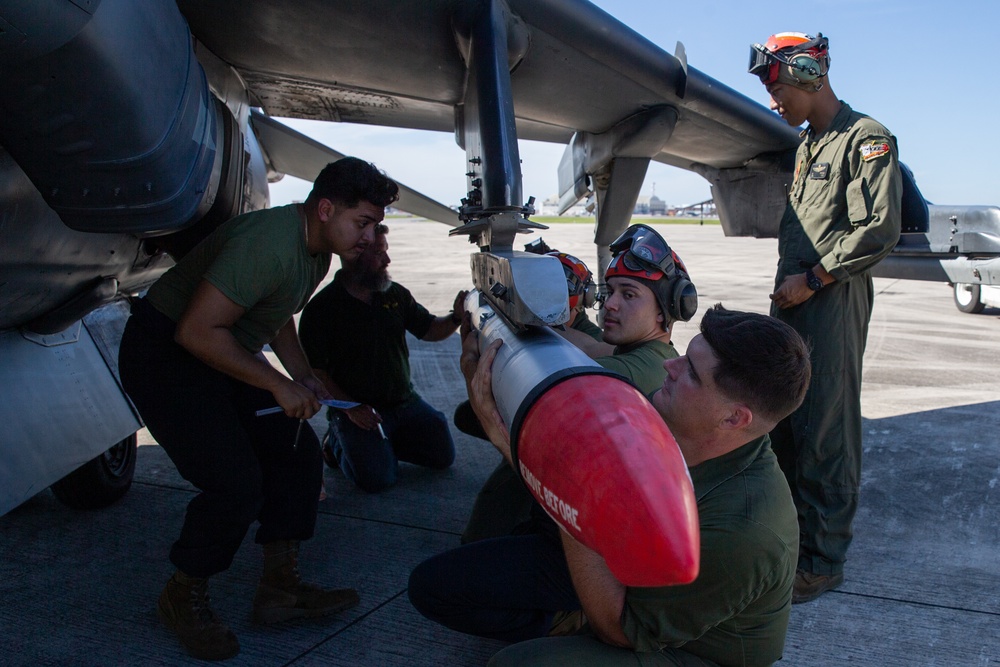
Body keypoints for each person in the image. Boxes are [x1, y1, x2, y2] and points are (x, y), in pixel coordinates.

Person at [409, 304, 810, 666]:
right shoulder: (676, 419)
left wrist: (558, 483)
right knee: (434, 587)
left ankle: (580, 615)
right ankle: (576, 611)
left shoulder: (744, 531)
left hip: (690, 649)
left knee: (518, 665)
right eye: (686, 354)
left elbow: (622, 630)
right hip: (630, 562)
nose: (671, 366)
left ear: (734, 419)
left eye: (691, 372)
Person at [118, 157, 399, 661]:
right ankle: (183, 595)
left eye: (375, 225)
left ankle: (280, 590)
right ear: (326, 208)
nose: (369, 236)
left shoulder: (317, 251)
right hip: (166, 353)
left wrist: (301, 374)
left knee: (296, 453)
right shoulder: (269, 243)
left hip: (219, 351)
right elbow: (196, 331)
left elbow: (275, 314)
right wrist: (277, 385)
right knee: (235, 481)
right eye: (363, 222)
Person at [748, 32, 902, 602]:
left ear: (811, 75)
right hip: (793, 298)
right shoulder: (809, 145)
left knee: (826, 427)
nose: (774, 102)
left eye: (779, 87)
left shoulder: (867, 139)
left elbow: (877, 229)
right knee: (786, 418)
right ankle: (791, 543)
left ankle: (822, 560)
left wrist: (813, 280)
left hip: (829, 300)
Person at [457, 229, 696, 544]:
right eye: (609, 292)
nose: (609, 304)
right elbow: (588, 343)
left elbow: (536, 460)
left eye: (628, 295)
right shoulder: (652, 354)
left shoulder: (610, 379)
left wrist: (471, 365)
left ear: (666, 309)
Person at [298, 223, 466, 492]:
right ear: (355, 255)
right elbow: (315, 373)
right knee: (378, 480)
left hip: (403, 402)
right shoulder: (322, 309)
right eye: (379, 253)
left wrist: (456, 317)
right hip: (357, 410)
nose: (387, 260)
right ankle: (335, 443)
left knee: (442, 456)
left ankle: (379, 447)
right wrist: (351, 408)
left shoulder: (395, 294)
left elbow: (430, 329)